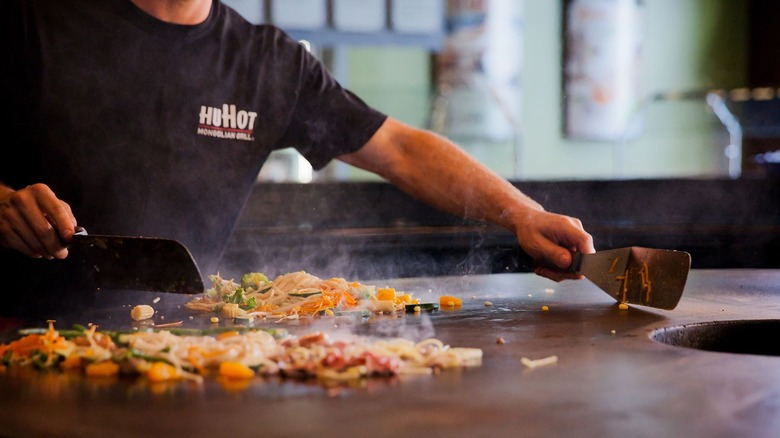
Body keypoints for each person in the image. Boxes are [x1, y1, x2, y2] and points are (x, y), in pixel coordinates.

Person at [0, 0, 594, 319]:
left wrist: (521, 213)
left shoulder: (271, 64)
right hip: (21, 335)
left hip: (183, 344)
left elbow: (399, 148)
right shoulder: (35, 21)